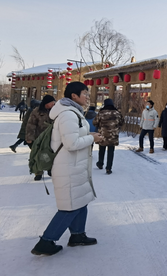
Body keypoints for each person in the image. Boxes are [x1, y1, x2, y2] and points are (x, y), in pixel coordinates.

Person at [31, 82, 103, 256]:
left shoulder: (73, 112)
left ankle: (78, 235)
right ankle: (46, 242)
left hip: (74, 166)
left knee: (80, 201)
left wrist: (89, 136)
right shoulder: (68, 115)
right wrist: (92, 138)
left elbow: (74, 136)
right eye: (84, 93)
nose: (87, 97)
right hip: (68, 167)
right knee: (69, 206)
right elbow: (71, 144)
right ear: (74, 96)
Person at [26, 95, 56, 180]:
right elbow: (30, 125)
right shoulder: (37, 111)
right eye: (52, 102)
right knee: (38, 154)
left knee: (50, 153)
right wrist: (29, 137)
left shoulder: (55, 111)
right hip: (39, 137)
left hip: (52, 136)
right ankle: (38, 172)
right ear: (47, 103)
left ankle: (50, 169)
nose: (54, 104)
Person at [93, 99, 124, 174]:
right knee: (111, 151)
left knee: (102, 149)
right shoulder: (117, 113)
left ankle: (100, 163)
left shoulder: (101, 113)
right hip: (113, 135)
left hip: (103, 134)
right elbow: (122, 122)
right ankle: (108, 168)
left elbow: (95, 122)